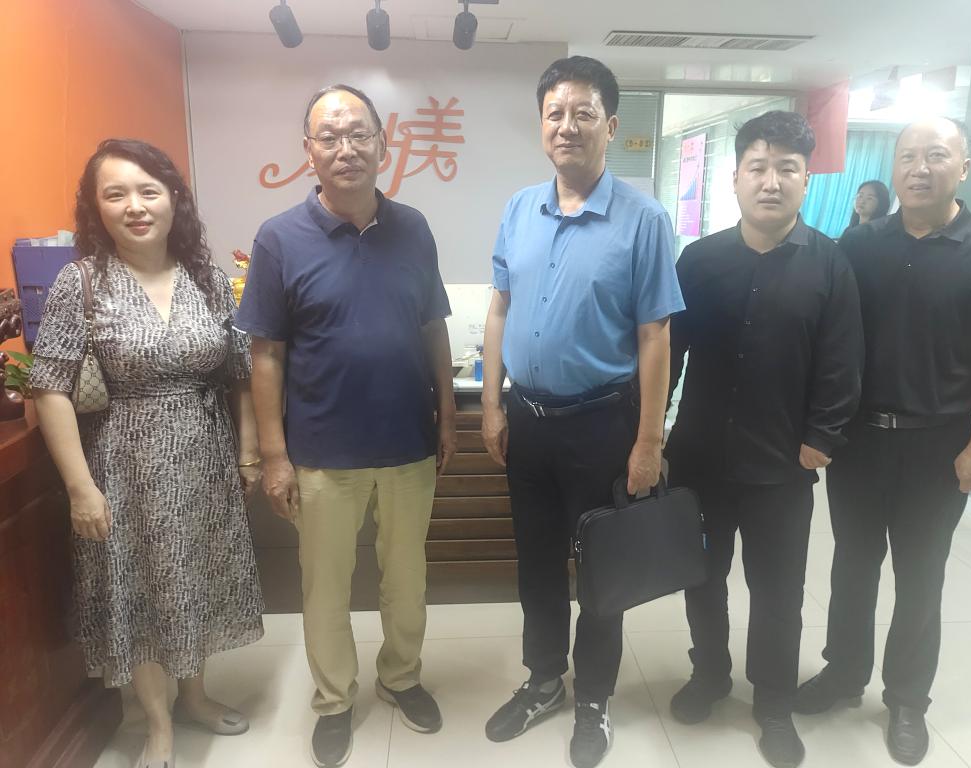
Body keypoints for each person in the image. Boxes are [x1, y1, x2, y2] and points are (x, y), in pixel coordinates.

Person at [235, 84, 456, 768]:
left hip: (408, 444)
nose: (346, 148)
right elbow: (265, 354)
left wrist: (448, 413)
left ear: (383, 144)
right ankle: (334, 700)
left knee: (406, 578)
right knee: (325, 588)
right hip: (322, 451)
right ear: (309, 151)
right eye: (329, 137)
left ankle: (401, 677)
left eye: (359, 134)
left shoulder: (414, 227)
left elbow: (433, 325)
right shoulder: (278, 238)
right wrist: (274, 456)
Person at [796, 117, 971, 766]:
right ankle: (844, 674)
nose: (920, 168)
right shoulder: (859, 244)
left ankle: (906, 699)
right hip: (860, 441)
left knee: (921, 577)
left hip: (939, 444)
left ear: (965, 167)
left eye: (936, 155)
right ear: (893, 168)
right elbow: (833, 342)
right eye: (909, 156)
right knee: (852, 566)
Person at [31, 139, 265, 768]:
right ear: (96, 207)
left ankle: (197, 697)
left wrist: (247, 454)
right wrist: (80, 487)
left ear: (173, 199)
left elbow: (239, 374)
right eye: (116, 194)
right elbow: (49, 388)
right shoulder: (81, 282)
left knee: (196, 578)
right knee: (140, 587)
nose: (135, 206)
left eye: (148, 191)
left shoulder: (207, 279)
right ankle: (158, 725)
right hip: (124, 467)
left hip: (204, 460)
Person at [480, 56, 683, 768]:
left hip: (603, 426)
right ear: (542, 124)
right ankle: (544, 680)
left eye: (583, 113)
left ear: (611, 126)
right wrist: (493, 405)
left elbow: (655, 336)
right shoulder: (519, 208)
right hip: (529, 422)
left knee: (602, 570)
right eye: (555, 114)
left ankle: (593, 695)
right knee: (536, 563)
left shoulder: (644, 220)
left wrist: (648, 441)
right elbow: (499, 308)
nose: (567, 126)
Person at [663, 111, 864, 768]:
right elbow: (668, 354)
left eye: (787, 169)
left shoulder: (830, 264)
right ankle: (710, 673)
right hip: (700, 458)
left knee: (778, 591)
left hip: (783, 464)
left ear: (806, 179)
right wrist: (648, 433)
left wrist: (822, 438)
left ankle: (773, 700)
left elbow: (843, 361)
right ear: (736, 178)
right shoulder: (699, 261)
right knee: (702, 577)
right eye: (758, 167)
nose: (771, 181)